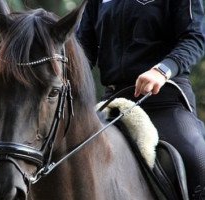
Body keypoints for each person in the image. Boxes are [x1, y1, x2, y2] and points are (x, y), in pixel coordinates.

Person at [76, 0, 205, 199]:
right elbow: (82, 49)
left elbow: (195, 38)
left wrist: (162, 70)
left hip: (163, 98)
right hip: (113, 102)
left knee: (196, 157)